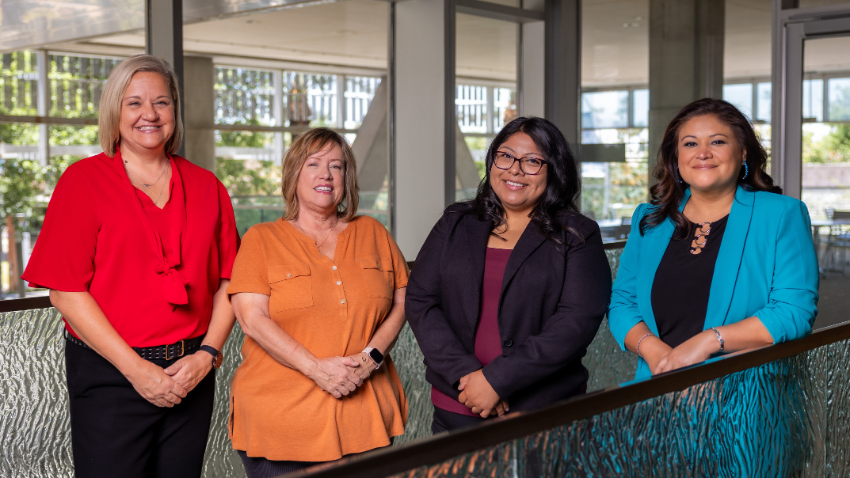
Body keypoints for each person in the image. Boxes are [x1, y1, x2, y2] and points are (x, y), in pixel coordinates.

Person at [22, 55, 240, 477]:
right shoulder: (83, 182)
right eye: (134, 103)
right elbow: (66, 291)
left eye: (162, 102)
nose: (150, 114)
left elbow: (230, 280)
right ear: (114, 111)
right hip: (111, 375)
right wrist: (136, 370)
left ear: (175, 110)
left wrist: (208, 355)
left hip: (190, 373)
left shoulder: (207, 185)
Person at [607, 98, 818, 475]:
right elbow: (622, 302)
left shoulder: (781, 214)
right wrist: (660, 358)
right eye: (689, 143)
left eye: (717, 142)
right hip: (655, 400)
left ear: (744, 154)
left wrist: (703, 346)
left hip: (744, 410)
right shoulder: (649, 219)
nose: (702, 152)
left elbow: (793, 313)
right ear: (675, 158)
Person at [405, 116, 612, 434]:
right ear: (492, 161)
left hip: (541, 411)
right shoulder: (456, 222)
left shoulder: (577, 234)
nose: (515, 169)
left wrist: (498, 381)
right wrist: (468, 377)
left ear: (553, 169)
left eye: (532, 161)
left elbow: (576, 322)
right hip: (457, 405)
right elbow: (421, 301)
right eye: (506, 155)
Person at [227, 128, 408, 478]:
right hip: (282, 421)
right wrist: (316, 369)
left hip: (364, 417)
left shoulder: (373, 232)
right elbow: (252, 319)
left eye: (336, 166)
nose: (326, 174)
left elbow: (403, 301)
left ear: (346, 179)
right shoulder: (261, 239)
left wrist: (371, 359)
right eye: (313, 164)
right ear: (294, 174)